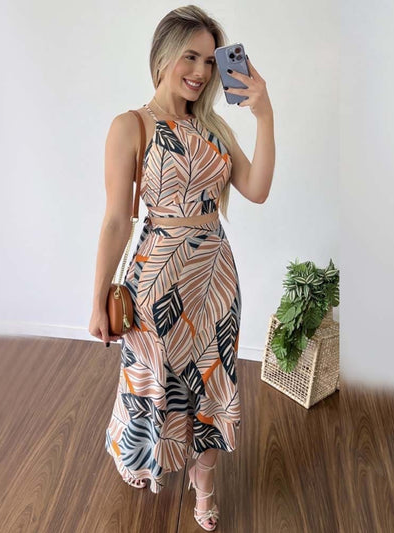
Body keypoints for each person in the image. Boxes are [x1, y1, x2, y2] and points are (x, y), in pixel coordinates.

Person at [88, 5, 274, 531]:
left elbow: (257, 189)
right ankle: (145, 455)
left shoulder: (214, 127)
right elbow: (116, 221)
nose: (200, 71)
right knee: (155, 383)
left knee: (212, 383)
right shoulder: (130, 126)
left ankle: (205, 488)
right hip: (156, 279)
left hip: (215, 279)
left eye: (210, 61)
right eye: (190, 57)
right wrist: (97, 297)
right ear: (163, 56)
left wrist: (265, 115)